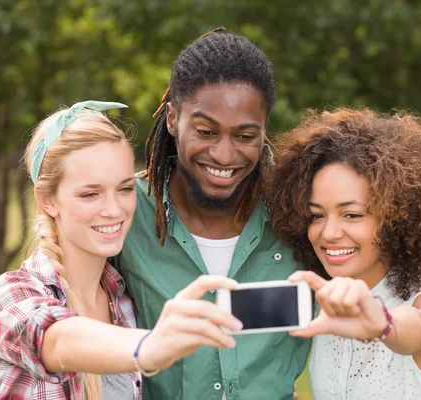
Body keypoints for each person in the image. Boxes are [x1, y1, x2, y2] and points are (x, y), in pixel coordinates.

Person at [0, 101, 242, 400]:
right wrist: (150, 346)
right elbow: (57, 341)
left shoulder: (123, 302)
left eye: (124, 189)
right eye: (90, 194)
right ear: (47, 200)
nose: (114, 210)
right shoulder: (10, 295)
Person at [113, 28, 310, 399]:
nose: (223, 155)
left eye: (245, 136)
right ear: (173, 120)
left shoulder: (299, 212)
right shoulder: (125, 211)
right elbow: (50, 292)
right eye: (206, 131)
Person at [265, 108, 421, 399]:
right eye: (316, 216)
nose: (329, 233)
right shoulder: (321, 301)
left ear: (396, 217)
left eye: (351, 215)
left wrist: (384, 324)